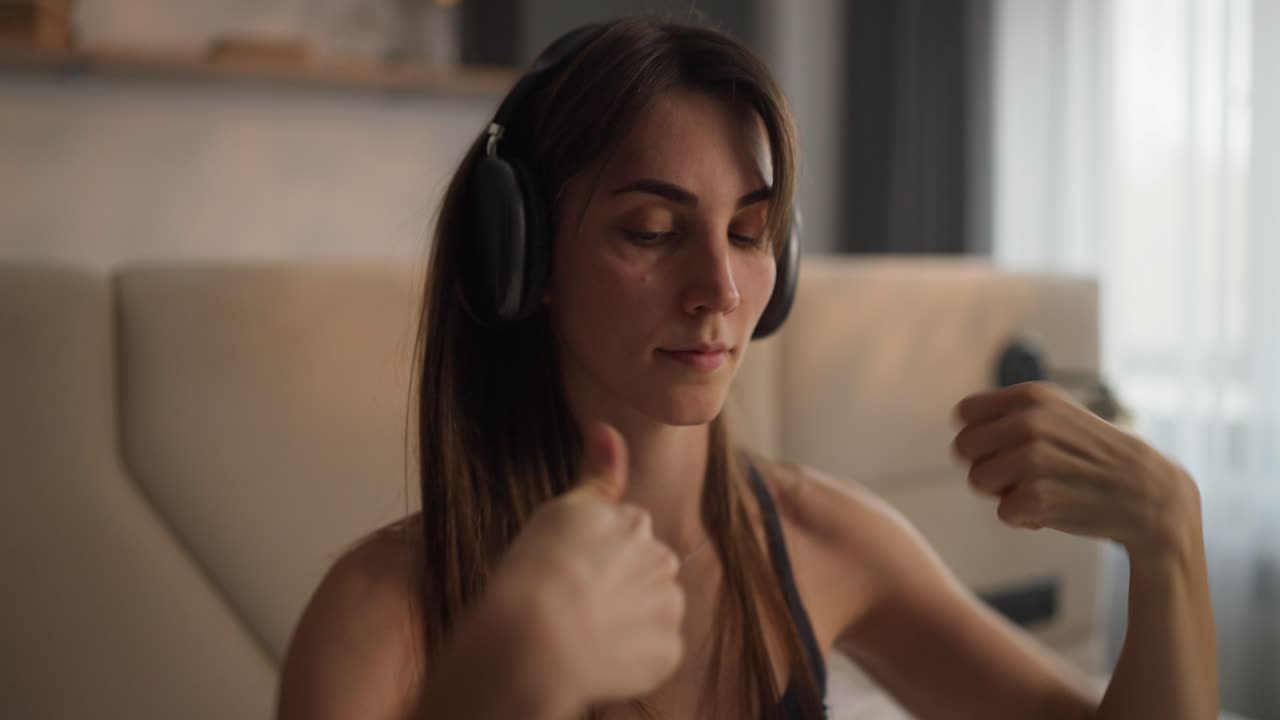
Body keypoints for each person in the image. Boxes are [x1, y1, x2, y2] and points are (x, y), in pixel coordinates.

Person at [276, 16, 1218, 720]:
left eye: (751, 233)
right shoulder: (381, 613)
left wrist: (1169, 539)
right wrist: (497, 687)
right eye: (652, 232)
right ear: (519, 256)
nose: (719, 287)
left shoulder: (828, 539)